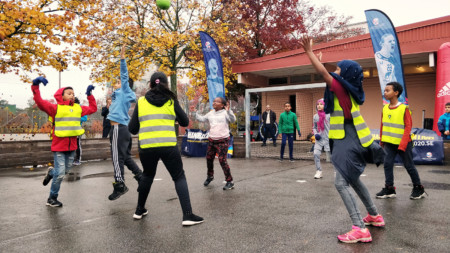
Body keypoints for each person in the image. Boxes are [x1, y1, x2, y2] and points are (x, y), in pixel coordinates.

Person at [300, 36, 385, 243]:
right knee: (352, 178)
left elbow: (322, 73)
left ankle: (359, 228)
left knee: (340, 183)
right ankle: (374, 215)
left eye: (338, 70)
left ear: (345, 75)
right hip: (354, 138)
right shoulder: (350, 91)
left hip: (348, 140)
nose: (334, 72)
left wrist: (309, 53)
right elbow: (327, 72)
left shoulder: (340, 89)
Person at [128, 72, 203, 225]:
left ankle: (139, 209)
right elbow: (184, 122)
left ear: (150, 84)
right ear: (166, 84)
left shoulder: (141, 101)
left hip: (147, 146)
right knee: (178, 177)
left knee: (147, 175)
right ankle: (187, 215)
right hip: (168, 145)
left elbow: (133, 129)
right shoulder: (171, 100)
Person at [32, 77, 97, 207]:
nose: (72, 95)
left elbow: (93, 108)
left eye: (73, 93)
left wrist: (90, 95)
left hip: (72, 147)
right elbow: (39, 102)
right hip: (59, 147)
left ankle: (51, 172)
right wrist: (35, 86)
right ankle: (52, 198)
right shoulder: (55, 108)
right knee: (61, 174)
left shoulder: (78, 108)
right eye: (69, 93)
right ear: (61, 96)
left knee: (64, 172)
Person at [377, 82, 427, 200]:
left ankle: (418, 188)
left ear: (396, 93)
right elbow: (382, 126)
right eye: (384, 90)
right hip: (389, 142)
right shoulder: (384, 108)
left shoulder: (404, 108)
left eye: (387, 90)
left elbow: (408, 127)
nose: (385, 92)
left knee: (409, 166)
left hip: (403, 143)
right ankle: (389, 188)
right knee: (387, 164)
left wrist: (402, 145)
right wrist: (382, 142)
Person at [106, 44, 143, 201]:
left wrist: (122, 58)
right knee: (126, 157)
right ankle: (141, 177)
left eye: (120, 82)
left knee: (116, 157)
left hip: (118, 128)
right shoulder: (116, 94)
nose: (118, 82)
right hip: (122, 128)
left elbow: (124, 76)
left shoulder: (126, 90)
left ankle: (120, 184)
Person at [195, 97, 236, 190]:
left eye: (217, 102)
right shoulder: (211, 113)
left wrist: (229, 111)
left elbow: (233, 120)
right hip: (212, 140)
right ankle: (210, 176)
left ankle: (230, 181)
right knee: (209, 159)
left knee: (222, 160)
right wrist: (196, 113)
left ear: (222, 105)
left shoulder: (226, 112)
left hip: (223, 140)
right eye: (214, 101)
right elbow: (202, 119)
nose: (214, 103)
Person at [312, 98, 330, 179]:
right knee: (316, 154)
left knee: (333, 158)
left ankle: (338, 172)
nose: (319, 106)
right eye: (318, 104)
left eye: (321, 104)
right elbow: (314, 127)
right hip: (319, 139)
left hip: (329, 139)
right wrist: (316, 134)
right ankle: (319, 171)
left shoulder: (329, 115)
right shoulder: (315, 116)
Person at [73, 97, 88, 166]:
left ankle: (78, 159)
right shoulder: (68, 108)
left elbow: (85, 118)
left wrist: (75, 118)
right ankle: (72, 159)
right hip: (69, 129)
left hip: (77, 129)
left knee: (77, 144)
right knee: (71, 145)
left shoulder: (80, 108)